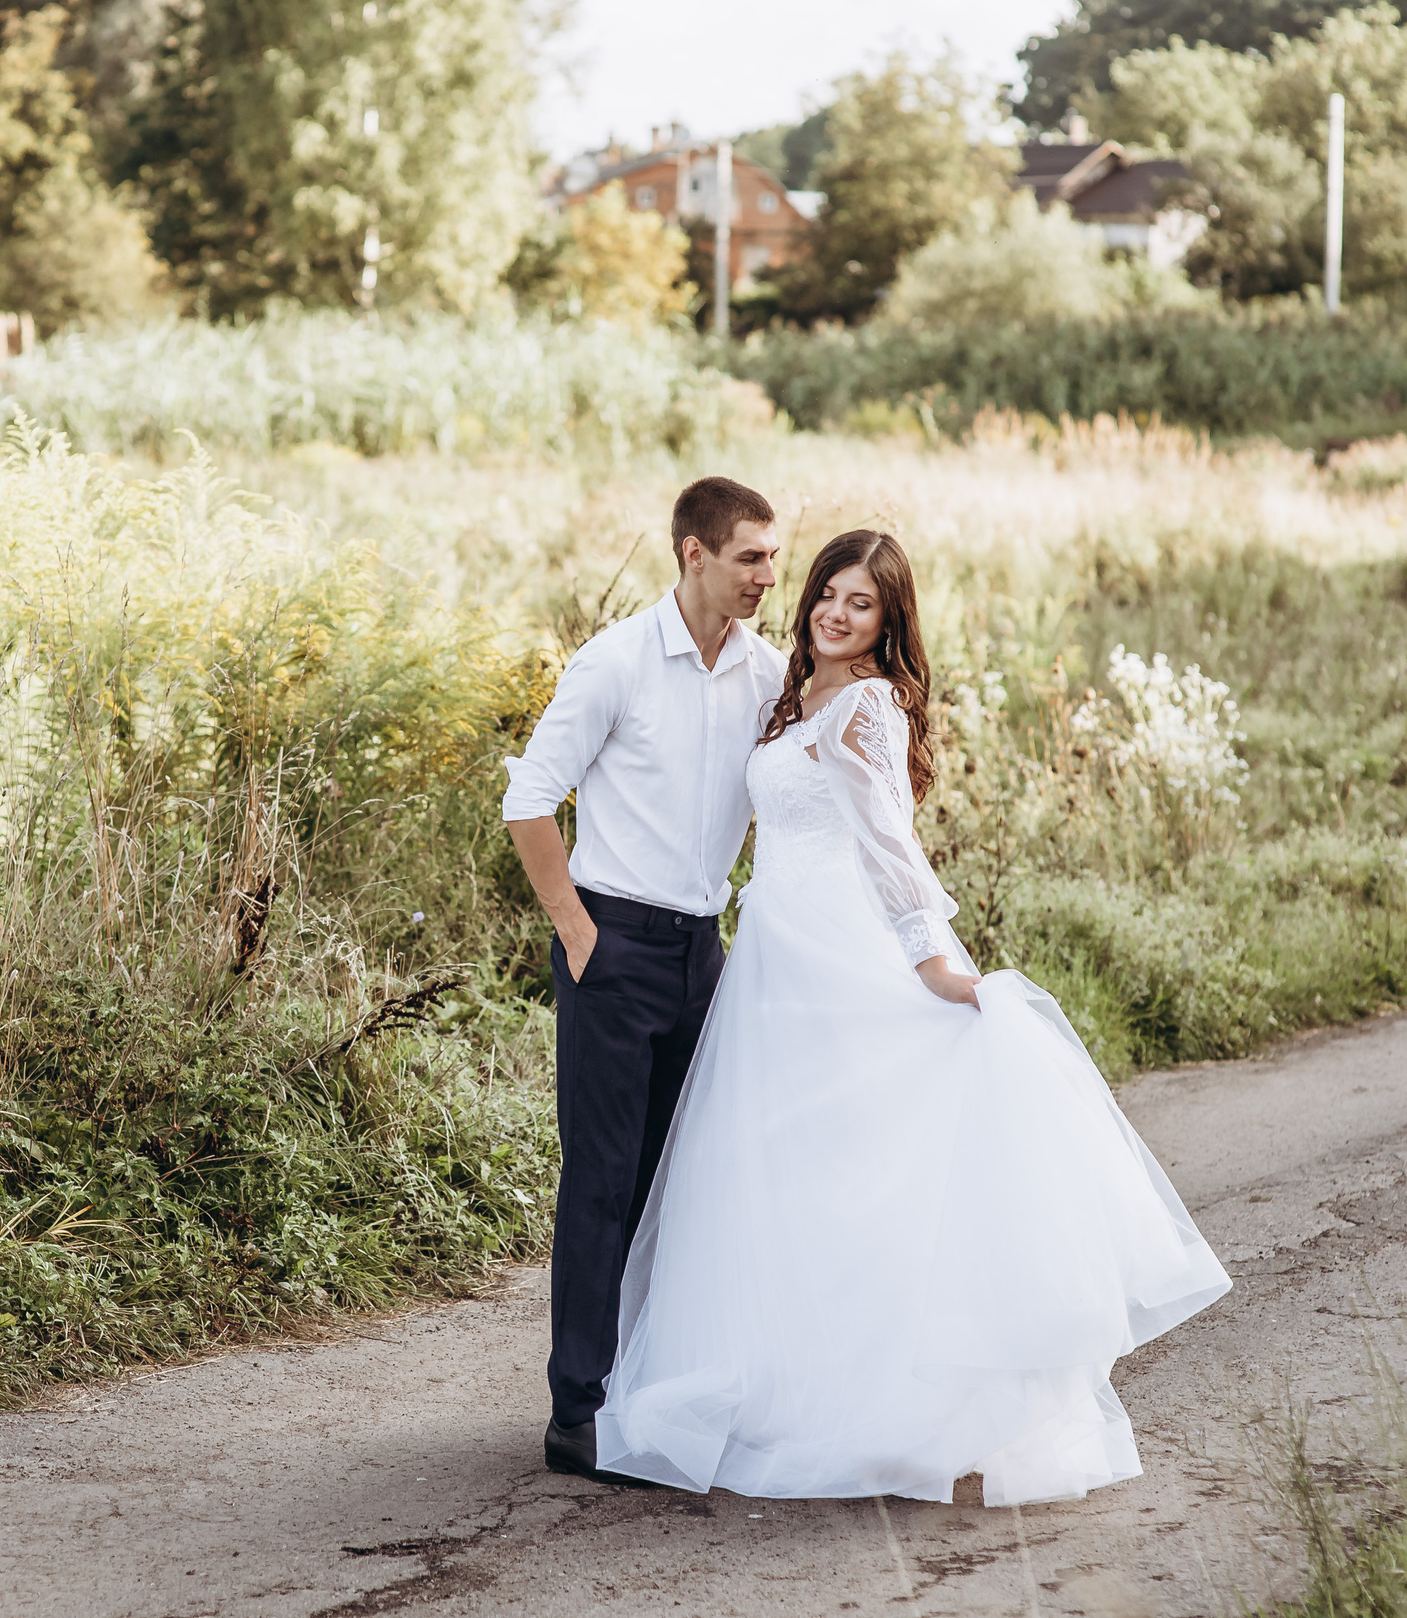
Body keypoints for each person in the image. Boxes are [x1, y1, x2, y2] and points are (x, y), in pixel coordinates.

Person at [587, 529, 1231, 1504]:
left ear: (888, 625)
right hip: (776, 957)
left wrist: (931, 956)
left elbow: (889, 838)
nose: (836, 614)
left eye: (862, 605)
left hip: (845, 947)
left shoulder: (866, 704)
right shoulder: (789, 693)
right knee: (778, 1171)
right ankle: (781, 1383)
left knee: (865, 1166)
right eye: (828, 596)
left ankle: (898, 1404)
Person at [502, 476, 787, 1482]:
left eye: (771, 556)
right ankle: (577, 1408)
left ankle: (652, 1389)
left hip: (702, 954)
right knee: (602, 1179)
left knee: (680, 1184)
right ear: (694, 554)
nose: (767, 574)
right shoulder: (616, 660)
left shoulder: (767, 675)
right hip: (611, 944)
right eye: (750, 555)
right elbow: (529, 800)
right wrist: (578, 935)